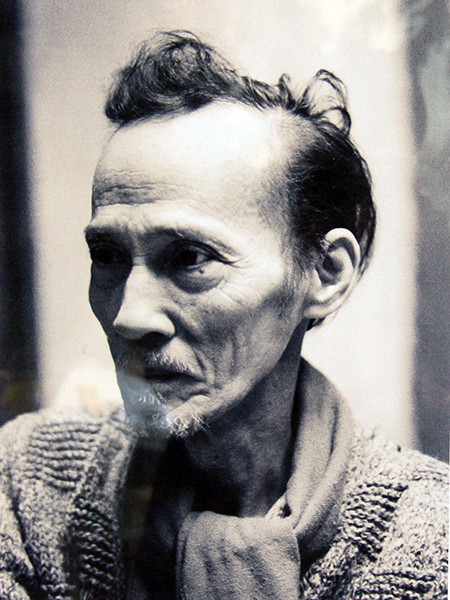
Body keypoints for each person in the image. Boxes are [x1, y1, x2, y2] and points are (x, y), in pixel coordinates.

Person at [0, 31, 447, 600]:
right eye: (108, 256)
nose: (129, 317)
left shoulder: (429, 542)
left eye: (190, 258)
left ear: (326, 273)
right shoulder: (27, 482)